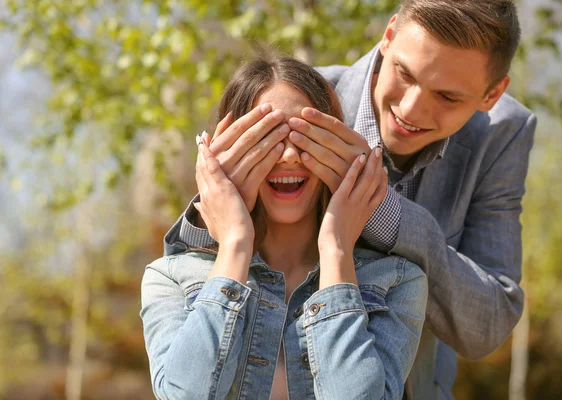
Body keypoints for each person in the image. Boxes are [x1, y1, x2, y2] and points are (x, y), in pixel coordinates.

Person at [163, 1, 537, 398]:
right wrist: (218, 199)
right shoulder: (295, 99)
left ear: (492, 93)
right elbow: (192, 266)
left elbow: (489, 323)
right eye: (404, 74)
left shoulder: (501, 134)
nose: (411, 109)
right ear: (388, 36)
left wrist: (387, 215)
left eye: (447, 97)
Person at [141, 56, 427, 400]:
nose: (290, 155)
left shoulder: (398, 281)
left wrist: (336, 248)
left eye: (305, 137)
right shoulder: (169, 277)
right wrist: (235, 244)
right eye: (266, 138)